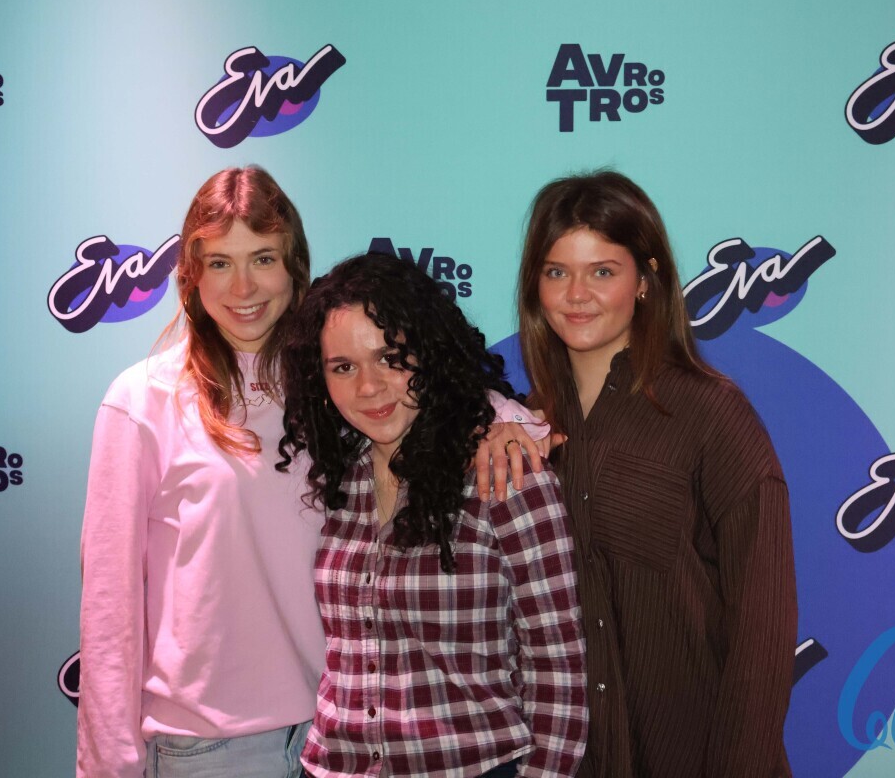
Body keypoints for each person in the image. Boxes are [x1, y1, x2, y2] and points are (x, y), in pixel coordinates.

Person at [78, 168, 545, 777]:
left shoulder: (333, 383)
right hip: (210, 751)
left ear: (294, 266)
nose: (243, 286)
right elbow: (110, 609)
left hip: (343, 741)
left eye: (263, 258)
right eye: (219, 263)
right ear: (191, 277)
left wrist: (509, 423)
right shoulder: (142, 402)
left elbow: (441, 396)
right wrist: (107, 766)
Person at [517, 170, 797, 777]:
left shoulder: (711, 413)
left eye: (602, 271)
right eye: (557, 272)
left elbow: (763, 627)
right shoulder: (520, 429)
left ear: (645, 280)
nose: (576, 295)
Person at [277, 253, 587, 778]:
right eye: (344, 367)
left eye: (390, 358)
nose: (368, 387)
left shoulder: (504, 474)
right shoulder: (334, 480)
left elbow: (557, 668)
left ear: (430, 354)